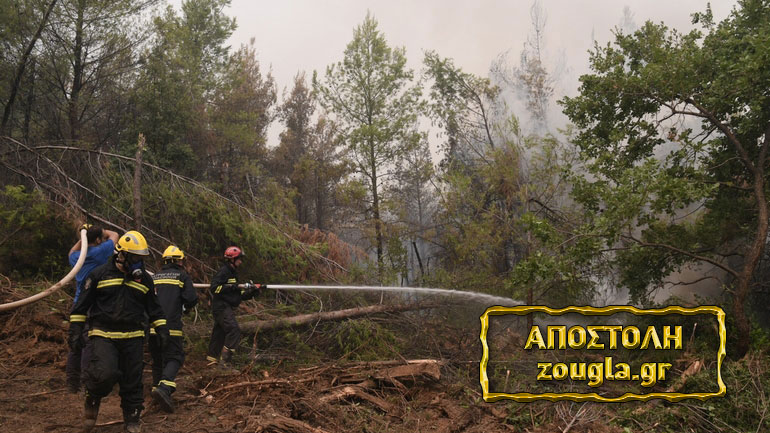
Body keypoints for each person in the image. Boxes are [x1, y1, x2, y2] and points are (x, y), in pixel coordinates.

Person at [68, 230, 169, 433]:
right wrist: (76, 331)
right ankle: (93, 397)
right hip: (103, 335)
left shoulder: (145, 281)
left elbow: (155, 310)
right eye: (134, 258)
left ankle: (132, 418)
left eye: (141, 259)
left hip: (133, 337)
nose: (138, 263)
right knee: (104, 374)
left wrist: (162, 330)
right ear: (120, 254)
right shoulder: (99, 275)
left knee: (133, 380)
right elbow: (81, 307)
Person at [66, 224, 119, 393]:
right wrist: (102, 231)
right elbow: (115, 235)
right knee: (90, 342)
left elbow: (70, 252)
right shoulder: (99, 253)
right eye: (100, 239)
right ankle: (86, 381)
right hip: (94, 304)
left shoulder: (76, 257)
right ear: (97, 240)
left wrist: (83, 234)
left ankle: (72, 383)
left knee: (76, 342)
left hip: (78, 303)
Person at [148, 245, 197, 413]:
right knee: (175, 358)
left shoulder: (154, 277)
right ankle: (164, 389)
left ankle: (156, 393)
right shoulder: (182, 276)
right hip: (171, 327)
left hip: (152, 327)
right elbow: (191, 299)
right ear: (178, 261)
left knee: (158, 360)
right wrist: (185, 307)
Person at [205, 246, 262, 368]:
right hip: (221, 306)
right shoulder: (224, 271)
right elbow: (214, 288)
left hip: (226, 306)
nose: (241, 261)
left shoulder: (233, 273)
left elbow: (237, 295)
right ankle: (225, 363)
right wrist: (232, 287)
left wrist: (252, 291)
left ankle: (211, 362)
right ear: (232, 259)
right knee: (234, 330)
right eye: (239, 259)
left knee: (219, 333)